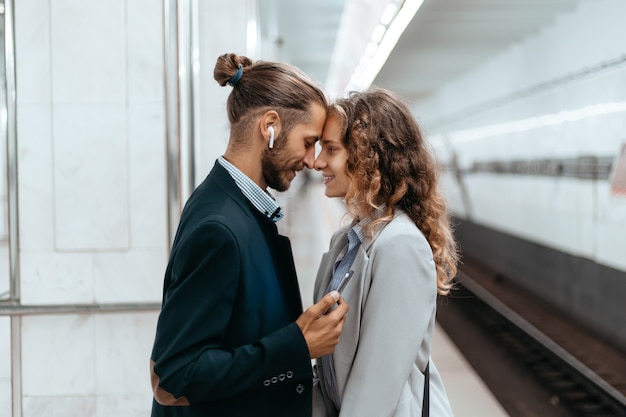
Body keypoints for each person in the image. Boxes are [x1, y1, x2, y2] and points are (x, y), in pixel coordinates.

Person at [150, 53, 349, 417]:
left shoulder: (237, 206)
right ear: (270, 126)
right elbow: (172, 377)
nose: (310, 160)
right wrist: (297, 346)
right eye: (308, 142)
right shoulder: (220, 228)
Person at [312, 87, 459, 417]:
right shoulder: (346, 240)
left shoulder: (400, 245)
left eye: (331, 149)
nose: (318, 161)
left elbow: (376, 387)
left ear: (367, 157)